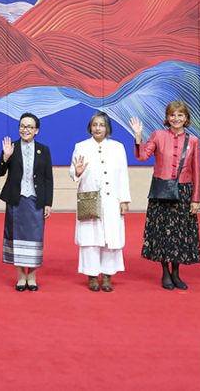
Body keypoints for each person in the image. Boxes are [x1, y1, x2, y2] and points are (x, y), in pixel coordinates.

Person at [130, 100, 200, 290]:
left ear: (186, 118)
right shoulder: (158, 135)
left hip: (184, 192)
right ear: (167, 118)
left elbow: (196, 172)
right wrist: (138, 136)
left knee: (179, 234)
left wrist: (196, 199)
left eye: (180, 115)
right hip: (161, 191)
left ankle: (176, 273)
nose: (176, 119)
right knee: (163, 233)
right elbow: (142, 156)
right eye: (172, 115)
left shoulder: (193, 141)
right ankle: (165, 273)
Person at [69, 112, 130, 292]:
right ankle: (93, 276)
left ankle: (108, 276)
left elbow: (123, 175)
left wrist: (124, 200)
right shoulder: (81, 147)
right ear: (90, 127)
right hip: (90, 199)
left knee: (110, 238)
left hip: (112, 201)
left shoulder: (118, 147)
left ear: (107, 128)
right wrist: (77, 172)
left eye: (101, 125)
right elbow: (72, 173)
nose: (97, 128)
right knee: (91, 239)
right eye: (95, 125)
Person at [0, 112, 53, 291]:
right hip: (16, 200)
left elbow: (48, 178)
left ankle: (32, 275)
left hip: (36, 201)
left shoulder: (44, 150)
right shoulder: (11, 146)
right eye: (22, 126)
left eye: (29, 127)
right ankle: (20, 276)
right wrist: (5, 157)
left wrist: (48, 203)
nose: (25, 129)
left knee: (35, 238)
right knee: (17, 238)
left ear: (36, 130)